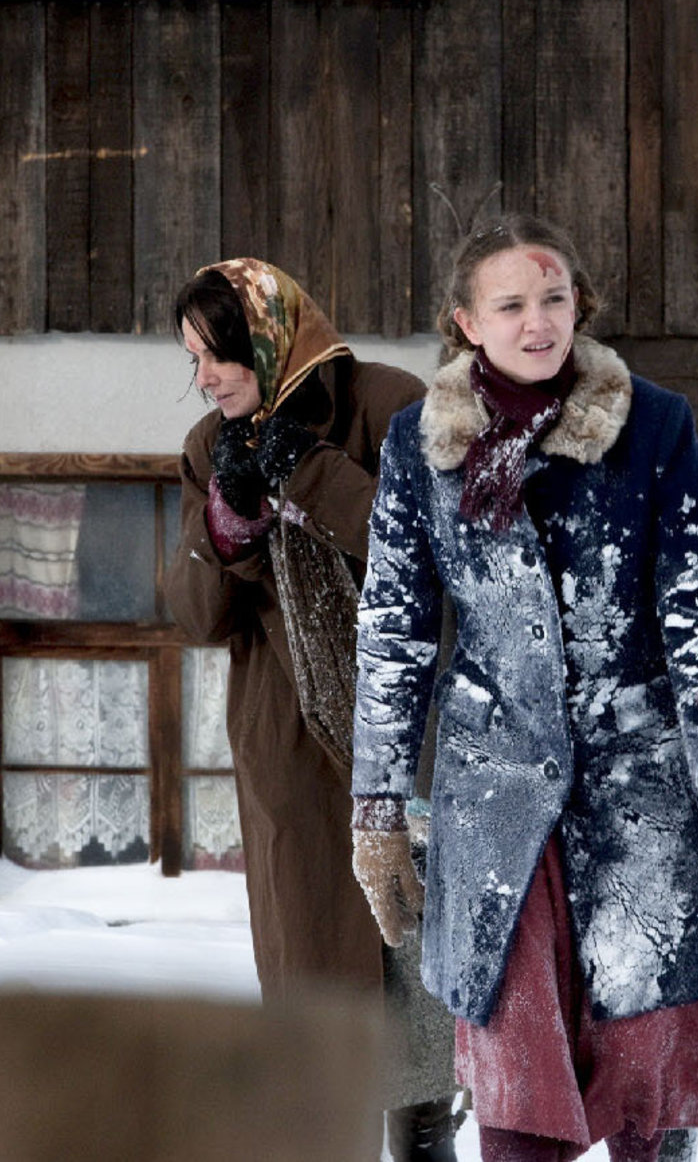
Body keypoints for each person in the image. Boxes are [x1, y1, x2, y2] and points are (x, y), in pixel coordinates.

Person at [348, 215, 698, 1162]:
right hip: (496, 806)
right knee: (517, 1088)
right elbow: (392, 633)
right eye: (511, 304)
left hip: (642, 799)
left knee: (647, 1085)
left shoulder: (654, 427)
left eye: (554, 298)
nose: (538, 322)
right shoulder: (422, 446)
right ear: (466, 322)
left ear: (579, 304)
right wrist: (376, 810)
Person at [163, 258, 460, 1162]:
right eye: (192, 361)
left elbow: (435, 562)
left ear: (270, 333)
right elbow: (194, 615)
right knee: (316, 1026)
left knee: (418, 1030)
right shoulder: (210, 447)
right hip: (289, 756)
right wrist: (230, 528)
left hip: (406, 750)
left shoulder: (389, 403)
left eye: (217, 353)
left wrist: (315, 475)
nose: (207, 377)